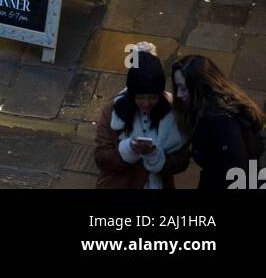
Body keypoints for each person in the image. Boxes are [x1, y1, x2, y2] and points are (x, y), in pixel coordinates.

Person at [94, 44, 189, 189]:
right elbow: (101, 158)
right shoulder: (111, 111)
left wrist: (156, 156)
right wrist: (128, 150)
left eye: (152, 97)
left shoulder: (174, 113)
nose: (146, 103)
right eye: (140, 97)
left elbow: (182, 160)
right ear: (132, 95)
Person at [171, 56, 266, 190]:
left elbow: (239, 175)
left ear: (200, 87)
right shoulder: (213, 104)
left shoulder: (222, 123)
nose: (179, 94)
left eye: (183, 88)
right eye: (178, 87)